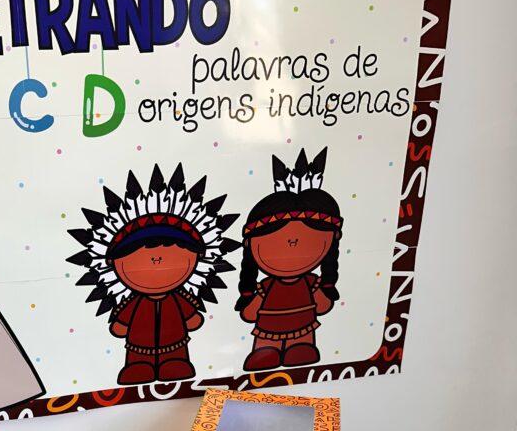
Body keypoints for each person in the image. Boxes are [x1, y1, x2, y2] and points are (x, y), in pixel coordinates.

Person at [68, 163, 239, 384]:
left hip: (175, 344)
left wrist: (191, 318)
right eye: (137, 253)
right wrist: (122, 324)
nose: (156, 260)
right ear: (113, 263)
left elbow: (192, 318)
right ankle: (138, 366)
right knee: (139, 366)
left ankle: (174, 363)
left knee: (175, 363)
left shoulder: (179, 298)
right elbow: (121, 323)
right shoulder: (134, 302)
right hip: (138, 347)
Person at [236, 148, 343, 371]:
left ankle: (300, 348)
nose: (292, 242)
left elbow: (323, 304)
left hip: (303, 326)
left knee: (301, 350)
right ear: (250, 245)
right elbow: (250, 311)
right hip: (268, 329)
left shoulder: (310, 282)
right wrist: (249, 304)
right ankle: (266, 352)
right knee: (266, 352)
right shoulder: (266, 286)